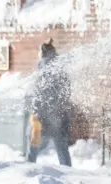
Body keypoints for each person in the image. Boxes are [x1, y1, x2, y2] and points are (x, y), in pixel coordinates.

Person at [25, 38, 72, 166]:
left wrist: (35, 113)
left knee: (33, 145)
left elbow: (36, 95)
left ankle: (28, 168)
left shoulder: (42, 70)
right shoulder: (61, 70)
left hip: (43, 117)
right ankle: (68, 171)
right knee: (62, 148)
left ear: (42, 54)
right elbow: (66, 93)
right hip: (60, 116)